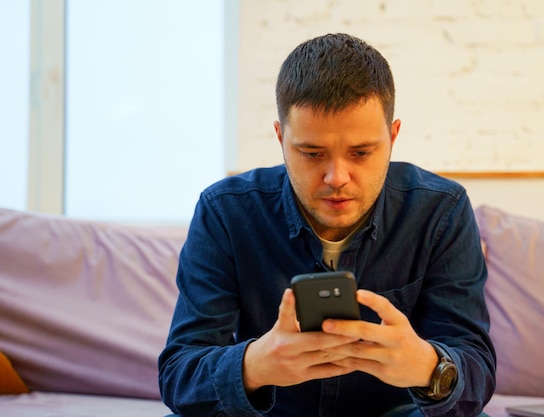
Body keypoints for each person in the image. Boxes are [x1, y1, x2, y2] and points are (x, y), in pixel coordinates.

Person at [158, 33, 496, 417]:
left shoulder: (440, 210)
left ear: (393, 136)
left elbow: (477, 369)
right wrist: (254, 365)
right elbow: (178, 374)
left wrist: (426, 366)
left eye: (362, 152)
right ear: (281, 138)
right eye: (312, 153)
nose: (336, 177)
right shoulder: (224, 211)